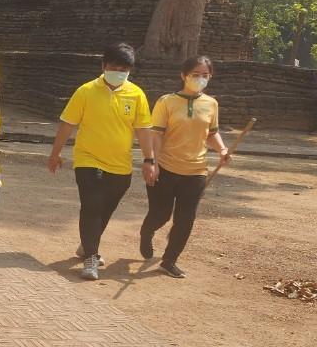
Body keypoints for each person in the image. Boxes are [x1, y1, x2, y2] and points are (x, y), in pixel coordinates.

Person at [46, 43, 157, 281]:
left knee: (106, 209)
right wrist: (55, 154)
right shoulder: (86, 91)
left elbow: (144, 129)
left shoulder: (136, 94)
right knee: (92, 206)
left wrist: (149, 159)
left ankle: (87, 244)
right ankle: (91, 257)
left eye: (124, 68)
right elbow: (67, 123)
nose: (119, 72)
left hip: (120, 164)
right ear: (104, 65)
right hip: (88, 160)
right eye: (115, 67)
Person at [140, 56, 231, 279]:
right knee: (161, 214)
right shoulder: (166, 101)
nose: (200, 79)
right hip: (166, 167)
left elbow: (211, 132)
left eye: (205, 75)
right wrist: (152, 161)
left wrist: (222, 150)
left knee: (185, 218)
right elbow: (156, 134)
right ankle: (147, 231)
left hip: (196, 170)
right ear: (184, 75)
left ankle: (169, 260)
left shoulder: (211, 104)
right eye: (196, 75)